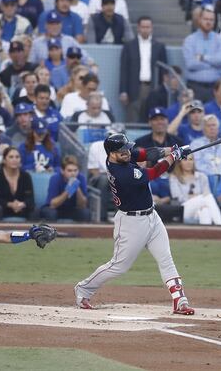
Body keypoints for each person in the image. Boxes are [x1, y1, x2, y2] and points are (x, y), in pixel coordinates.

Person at [74, 134, 195, 315]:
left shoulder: (124, 156)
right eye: (122, 150)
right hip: (131, 223)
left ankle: (180, 300)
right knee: (118, 266)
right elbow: (153, 173)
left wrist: (173, 149)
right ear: (112, 154)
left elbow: (147, 153)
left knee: (165, 258)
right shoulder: (121, 172)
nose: (127, 152)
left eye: (127, 148)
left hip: (152, 216)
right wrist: (174, 157)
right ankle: (83, 289)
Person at [120, 16, 168, 123]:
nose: (145, 29)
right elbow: (124, 70)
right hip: (134, 87)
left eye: (148, 27)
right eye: (143, 27)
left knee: (152, 118)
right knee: (133, 117)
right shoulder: (129, 46)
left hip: (153, 87)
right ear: (138, 28)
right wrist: (123, 91)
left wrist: (161, 90)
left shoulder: (159, 46)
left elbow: (164, 70)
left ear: (152, 28)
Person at [182, 6, 221, 103]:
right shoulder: (189, 40)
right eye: (206, 19)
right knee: (194, 116)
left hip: (216, 88)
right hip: (194, 88)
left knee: (214, 117)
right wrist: (213, 64)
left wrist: (203, 58)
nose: (208, 22)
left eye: (211, 20)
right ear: (199, 20)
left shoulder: (220, 40)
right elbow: (191, 64)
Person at [169, 153, 221, 225]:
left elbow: (207, 193)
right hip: (183, 209)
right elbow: (178, 198)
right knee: (207, 198)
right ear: (179, 163)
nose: (188, 162)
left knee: (205, 211)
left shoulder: (202, 176)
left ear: (194, 161)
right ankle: (220, 224)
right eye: (185, 160)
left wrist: (197, 199)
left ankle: (206, 234)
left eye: (191, 159)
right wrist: (196, 197)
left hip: (200, 207)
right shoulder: (174, 178)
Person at [40, 154, 89, 221]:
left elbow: (82, 205)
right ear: (62, 171)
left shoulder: (81, 178)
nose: (73, 173)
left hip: (72, 208)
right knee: (51, 213)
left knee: (85, 213)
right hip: (56, 208)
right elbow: (53, 204)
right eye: (69, 171)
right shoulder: (55, 178)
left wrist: (77, 189)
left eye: (75, 170)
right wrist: (68, 191)